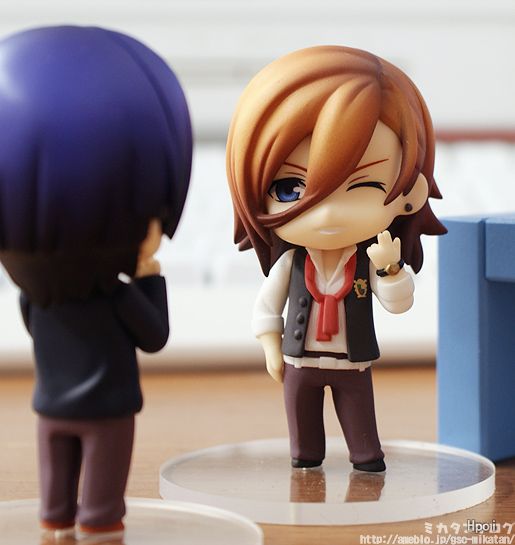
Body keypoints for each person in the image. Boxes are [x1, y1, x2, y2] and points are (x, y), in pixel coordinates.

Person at [0, 26, 192, 538]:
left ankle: (55, 517)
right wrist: (148, 277)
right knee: (102, 509)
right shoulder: (117, 296)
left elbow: (33, 325)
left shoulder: (37, 298)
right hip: (107, 411)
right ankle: (98, 522)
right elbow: (154, 337)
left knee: (55, 499)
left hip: (50, 407)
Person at [226, 45, 445, 472]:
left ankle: (366, 458)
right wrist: (271, 347)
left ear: (409, 194)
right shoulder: (291, 265)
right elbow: (267, 306)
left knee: (362, 432)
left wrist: (391, 268)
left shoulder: (368, 261)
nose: (326, 213)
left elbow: (398, 303)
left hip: (353, 363)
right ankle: (306, 458)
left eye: (363, 186)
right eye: (290, 189)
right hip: (299, 361)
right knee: (303, 439)